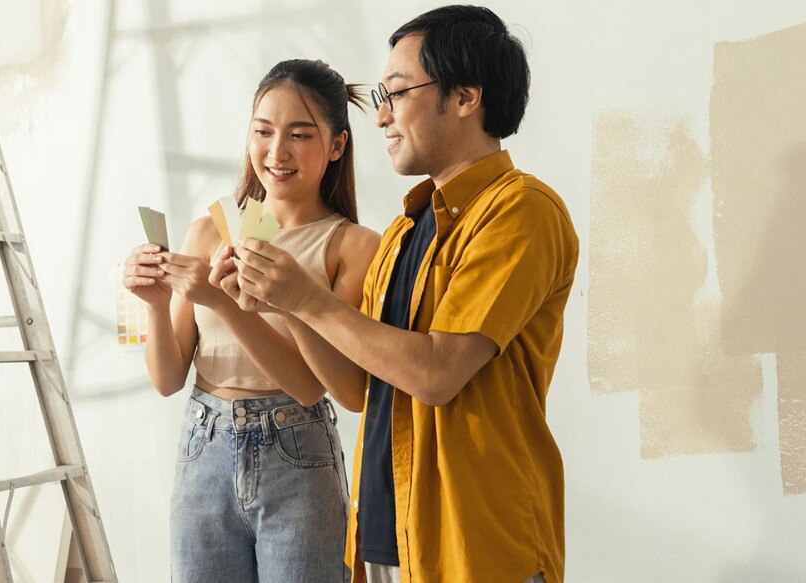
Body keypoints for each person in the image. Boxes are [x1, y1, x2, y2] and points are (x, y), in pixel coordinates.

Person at [218, 6, 578, 583]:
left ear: (465, 97)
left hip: (477, 547)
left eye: (397, 92)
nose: (380, 116)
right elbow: (357, 389)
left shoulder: (520, 211)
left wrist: (306, 299)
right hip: (388, 538)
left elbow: (437, 374)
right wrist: (284, 303)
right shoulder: (406, 229)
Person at [121, 59, 381, 582]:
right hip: (202, 446)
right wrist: (148, 302)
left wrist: (223, 304)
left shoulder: (352, 247)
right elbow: (168, 381)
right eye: (263, 131)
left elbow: (315, 388)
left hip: (298, 453)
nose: (276, 152)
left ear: (337, 145)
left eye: (300, 134)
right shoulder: (209, 229)